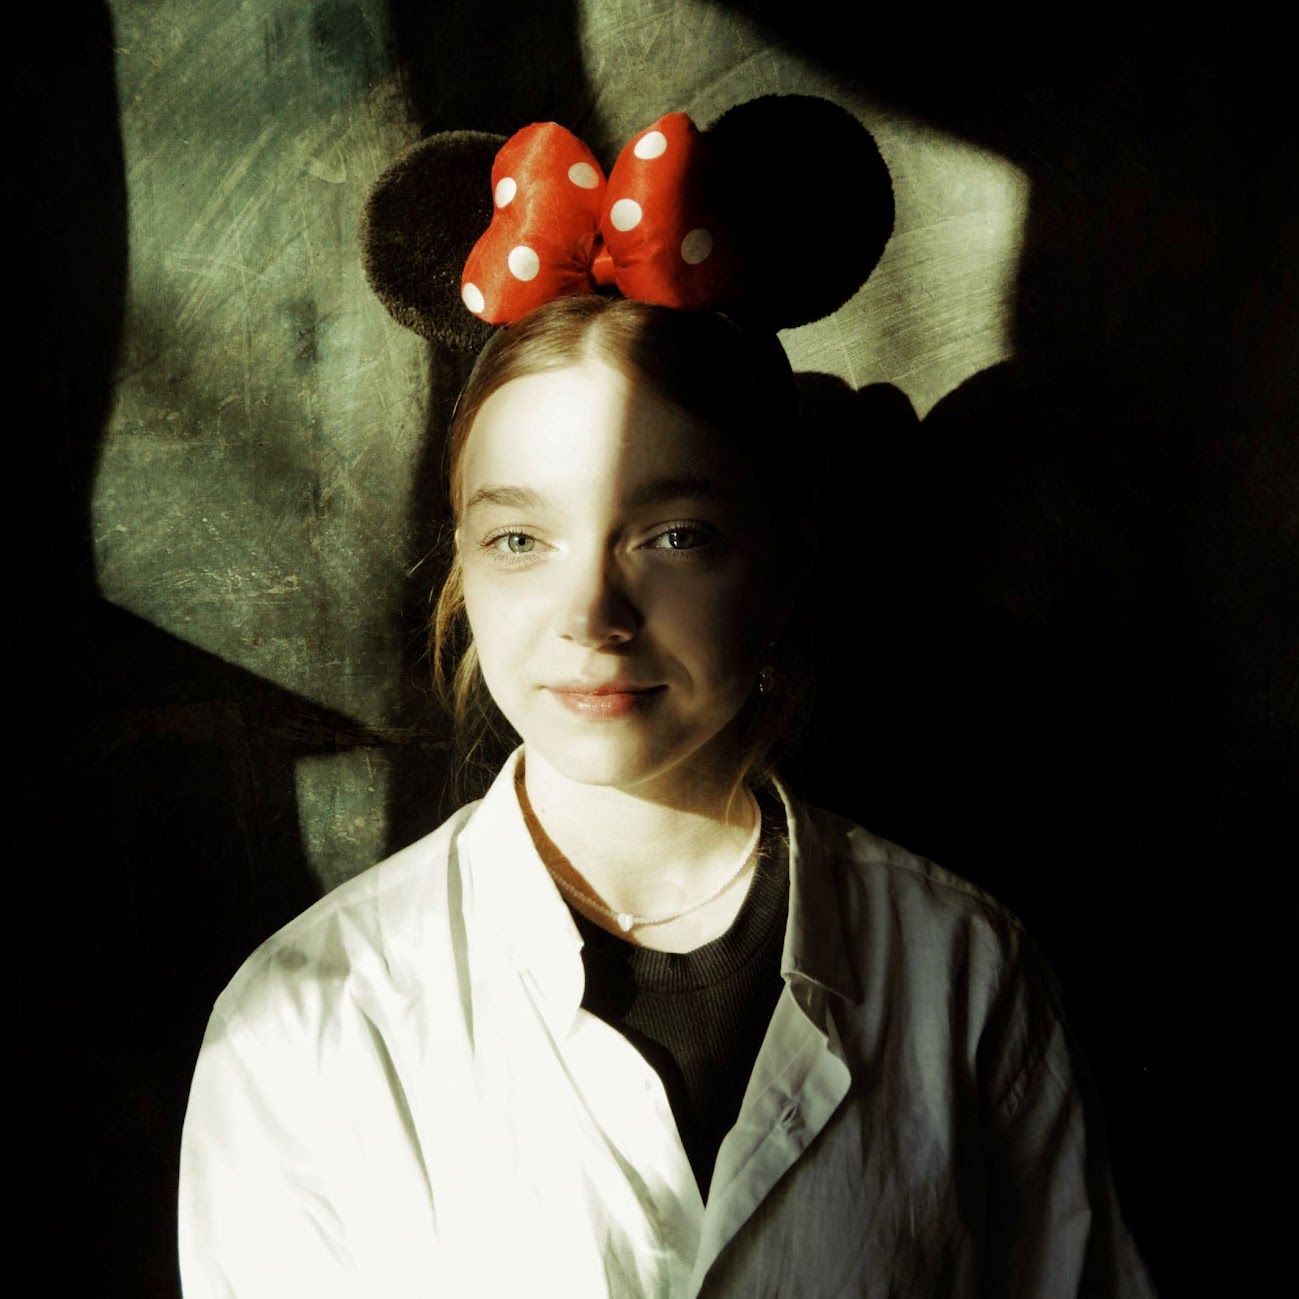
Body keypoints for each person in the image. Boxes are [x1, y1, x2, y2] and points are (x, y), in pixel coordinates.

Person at [178, 290, 1159, 1297]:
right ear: (462, 566)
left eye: (674, 535)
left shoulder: (963, 970)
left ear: (783, 559)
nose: (592, 615)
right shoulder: (309, 1016)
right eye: (520, 539)